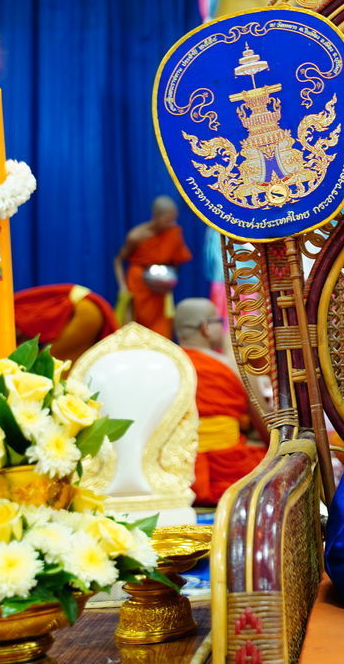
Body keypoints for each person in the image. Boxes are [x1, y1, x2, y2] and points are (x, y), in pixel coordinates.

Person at [174, 298, 267, 506]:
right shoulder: (233, 367)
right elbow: (265, 424)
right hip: (230, 469)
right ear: (206, 328)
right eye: (220, 322)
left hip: (180, 470)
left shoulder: (168, 365)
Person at [0, 284, 116, 363]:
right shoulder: (7, 311)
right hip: (85, 309)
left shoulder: (12, 316)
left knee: (52, 362)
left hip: (85, 312)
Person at [115, 196, 192, 339]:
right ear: (156, 216)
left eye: (174, 219)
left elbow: (178, 261)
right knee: (138, 328)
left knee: (162, 332)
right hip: (138, 285)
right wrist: (122, 286)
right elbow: (118, 260)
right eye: (168, 220)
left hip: (160, 287)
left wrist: (169, 278)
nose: (172, 224)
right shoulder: (136, 236)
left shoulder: (173, 232)